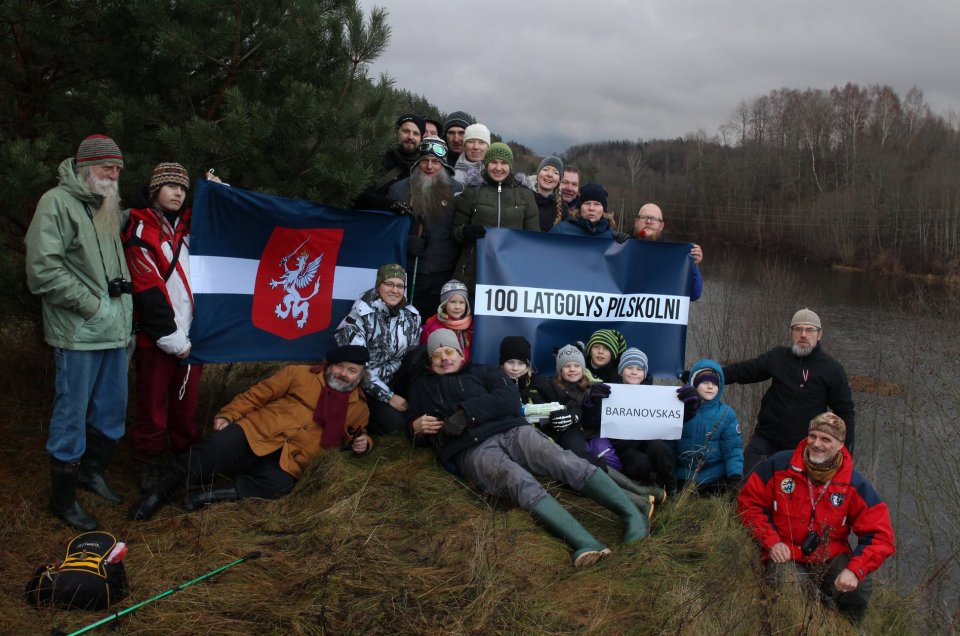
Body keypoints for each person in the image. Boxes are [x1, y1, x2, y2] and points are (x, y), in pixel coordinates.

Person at [408, 329, 648, 567]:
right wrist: (415, 428)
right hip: (470, 448)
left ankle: (632, 515)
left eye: (449, 350)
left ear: (461, 354)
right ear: (431, 361)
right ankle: (585, 542)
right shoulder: (422, 387)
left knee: (561, 460)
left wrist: (466, 413)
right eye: (437, 354)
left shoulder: (484, 371)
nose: (444, 357)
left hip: (513, 430)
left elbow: (508, 398)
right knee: (516, 480)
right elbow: (416, 429)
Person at [25, 134, 133, 531]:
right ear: (86, 167)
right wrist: (93, 305)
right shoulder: (56, 202)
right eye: (108, 167)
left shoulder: (105, 204)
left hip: (115, 333)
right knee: (71, 416)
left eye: (118, 169)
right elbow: (42, 270)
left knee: (111, 410)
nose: (114, 175)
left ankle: (92, 474)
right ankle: (63, 500)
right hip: (80, 332)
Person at [129, 345, 373, 520]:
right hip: (256, 432)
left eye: (352, 370)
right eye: (339, 367)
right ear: (329, 365)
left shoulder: (358, 407)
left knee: (278, 486)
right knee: (213, 449)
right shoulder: (299, 374)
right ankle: (159, 492)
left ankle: (206, 495)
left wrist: (365, 443)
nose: (343, 374)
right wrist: (228, 414)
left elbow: (355, 436)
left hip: (291, 457)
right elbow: (257, 395)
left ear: (360, 376)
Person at [737, 413, 895, 624]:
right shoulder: (780, 465)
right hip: (785, 551)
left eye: (825, 439)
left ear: (840, 445)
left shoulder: (853, 483)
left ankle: (847, 627)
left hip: (829, 553)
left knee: (860, 587)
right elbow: (749, 503)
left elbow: (880, 535)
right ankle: (806, 623)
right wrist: (771, 541)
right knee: (791, 589)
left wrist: (854, 570)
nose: (816, 444)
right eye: (813, 436)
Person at [122, 162, 205, 492]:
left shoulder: (190, 227)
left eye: (183, 188)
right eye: (171, 186)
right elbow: (147, 288)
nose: (178, 193)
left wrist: (218, 192)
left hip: (193, 336)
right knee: (153, 404)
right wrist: (171, 338)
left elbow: (224, 223)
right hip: (158, 339)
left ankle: (185, 460)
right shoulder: (139, 230)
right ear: (155, 189)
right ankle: (151, 461)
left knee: (187, 405)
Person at [723, 308, 855, 476]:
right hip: (766, 440)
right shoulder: (778, 357)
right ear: (792, 332)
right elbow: (743, 371)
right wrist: (708, 375)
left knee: (788, 498)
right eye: (798, 329)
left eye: (809, 330)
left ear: (819, 334)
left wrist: (845, 454)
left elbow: (845, 412)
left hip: (803, 447)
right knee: (745, 487)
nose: (804, 334)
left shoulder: (831, 369)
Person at [334, 263, 422, 434]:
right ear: (378, 285)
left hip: (395, 376)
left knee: (423, 353)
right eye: (388, 284)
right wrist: (389, 397)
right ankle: (366, 418)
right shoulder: (358, 317)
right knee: (396, 426)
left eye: (399, 286)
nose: (394, 290)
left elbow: (412, 354)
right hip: (367, 384)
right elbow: (357, 369)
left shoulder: (411, 315)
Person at [387, 136, 464, 317]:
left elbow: (460, 229)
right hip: (409, 270)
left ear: (444, 165)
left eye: (436, 162)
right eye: (425, 161)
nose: (430, 166)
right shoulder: (399, 190)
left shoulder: (458, 191)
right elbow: (388, 230)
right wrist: (406, 241)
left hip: (443, 271)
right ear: (417, 164)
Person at [452, 142, 539, 289]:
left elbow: (534, 238)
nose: (498, 168)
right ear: (486, 164)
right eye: (493, 162)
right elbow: (455, 232)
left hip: (510, 269)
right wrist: (465, 232)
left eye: (504, 163)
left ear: (510, 166)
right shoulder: (472, 191)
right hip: (475, 268)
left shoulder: (525, 195)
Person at [605, 348, 677, 492]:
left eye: (639, 369)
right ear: (621, 371)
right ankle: (645, 487)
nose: (634, 372)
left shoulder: (655, 394)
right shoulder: (610, 392)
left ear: (644, 373)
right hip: (624, 444)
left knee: (660, 449)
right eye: (629, 367)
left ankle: (668, 484)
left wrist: (681, 403)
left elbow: (667, 418)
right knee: (639, 463)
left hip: (648, 439)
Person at [672, 361, 743, 494]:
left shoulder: (726, 414)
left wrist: (735, 476)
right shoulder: (680, 408)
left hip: (714, 477)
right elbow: (670, 444)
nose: (710, 386)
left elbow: (733, 449)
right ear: (694, 383)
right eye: (705, 382)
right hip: (683, 475)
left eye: (715, 383)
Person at [633, 203, 704, 301]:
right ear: (636, 222)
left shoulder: (673, 255)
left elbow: (694, 294)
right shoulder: (620, 248)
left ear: (661, 226)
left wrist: (692, 265)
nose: (648, 221)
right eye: (644, 217)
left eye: (654, 219)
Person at [550, 183, 627, 240]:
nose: (591, 208)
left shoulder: (612, 237)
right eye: (587, 203)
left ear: (604, 209)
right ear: (580, 208)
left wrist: (626, 243)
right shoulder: (561, 230)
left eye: (597, 204)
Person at [420, 279, 473, 360]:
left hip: (466, 368)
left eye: (461, 302)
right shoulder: (433, 326)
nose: (457, 307)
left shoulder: (472, 325)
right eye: (452, 302)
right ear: (444, 305)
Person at [526, 156, 569, 231]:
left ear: (559, 180)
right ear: (538, 174)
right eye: (545, 169)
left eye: (555, 172)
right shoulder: (523, 198)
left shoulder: (563, 210)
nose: (549, 174)